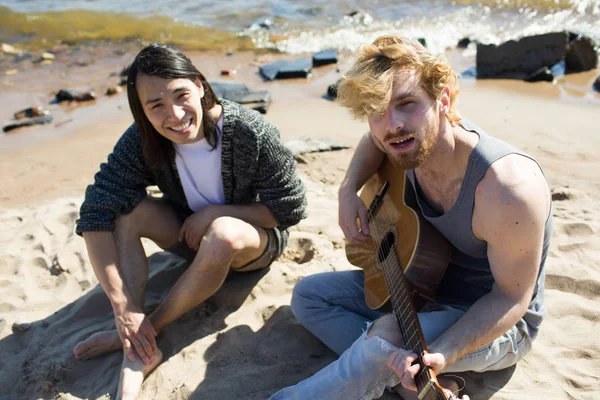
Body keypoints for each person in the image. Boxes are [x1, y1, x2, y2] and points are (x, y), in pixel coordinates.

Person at [270, 35, 552, 400]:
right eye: (377, 110)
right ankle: (407, 382)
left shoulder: (505, 189)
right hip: (421, 284)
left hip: (494, 321)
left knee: (386, 333)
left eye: (407, 104)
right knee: (309, 297)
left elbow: (511, 300)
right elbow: (374, 140)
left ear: (443, 100)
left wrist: (443, 353)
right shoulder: (400, 138)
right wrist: (347, 190)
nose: (393, 124)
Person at [72, 43, 307, 400]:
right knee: (124, 213)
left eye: (181, 95)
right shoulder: (142, 140)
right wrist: (122, 307)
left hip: (253, 244)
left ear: (199, 85)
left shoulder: (250, 132)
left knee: (223, 233)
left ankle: (144, 339)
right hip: (189, 234)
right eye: (157, 106)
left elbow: (290, 209)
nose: (175, 115)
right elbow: (95, 209)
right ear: (142, 113)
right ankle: (133, 327)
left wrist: (217, 212)